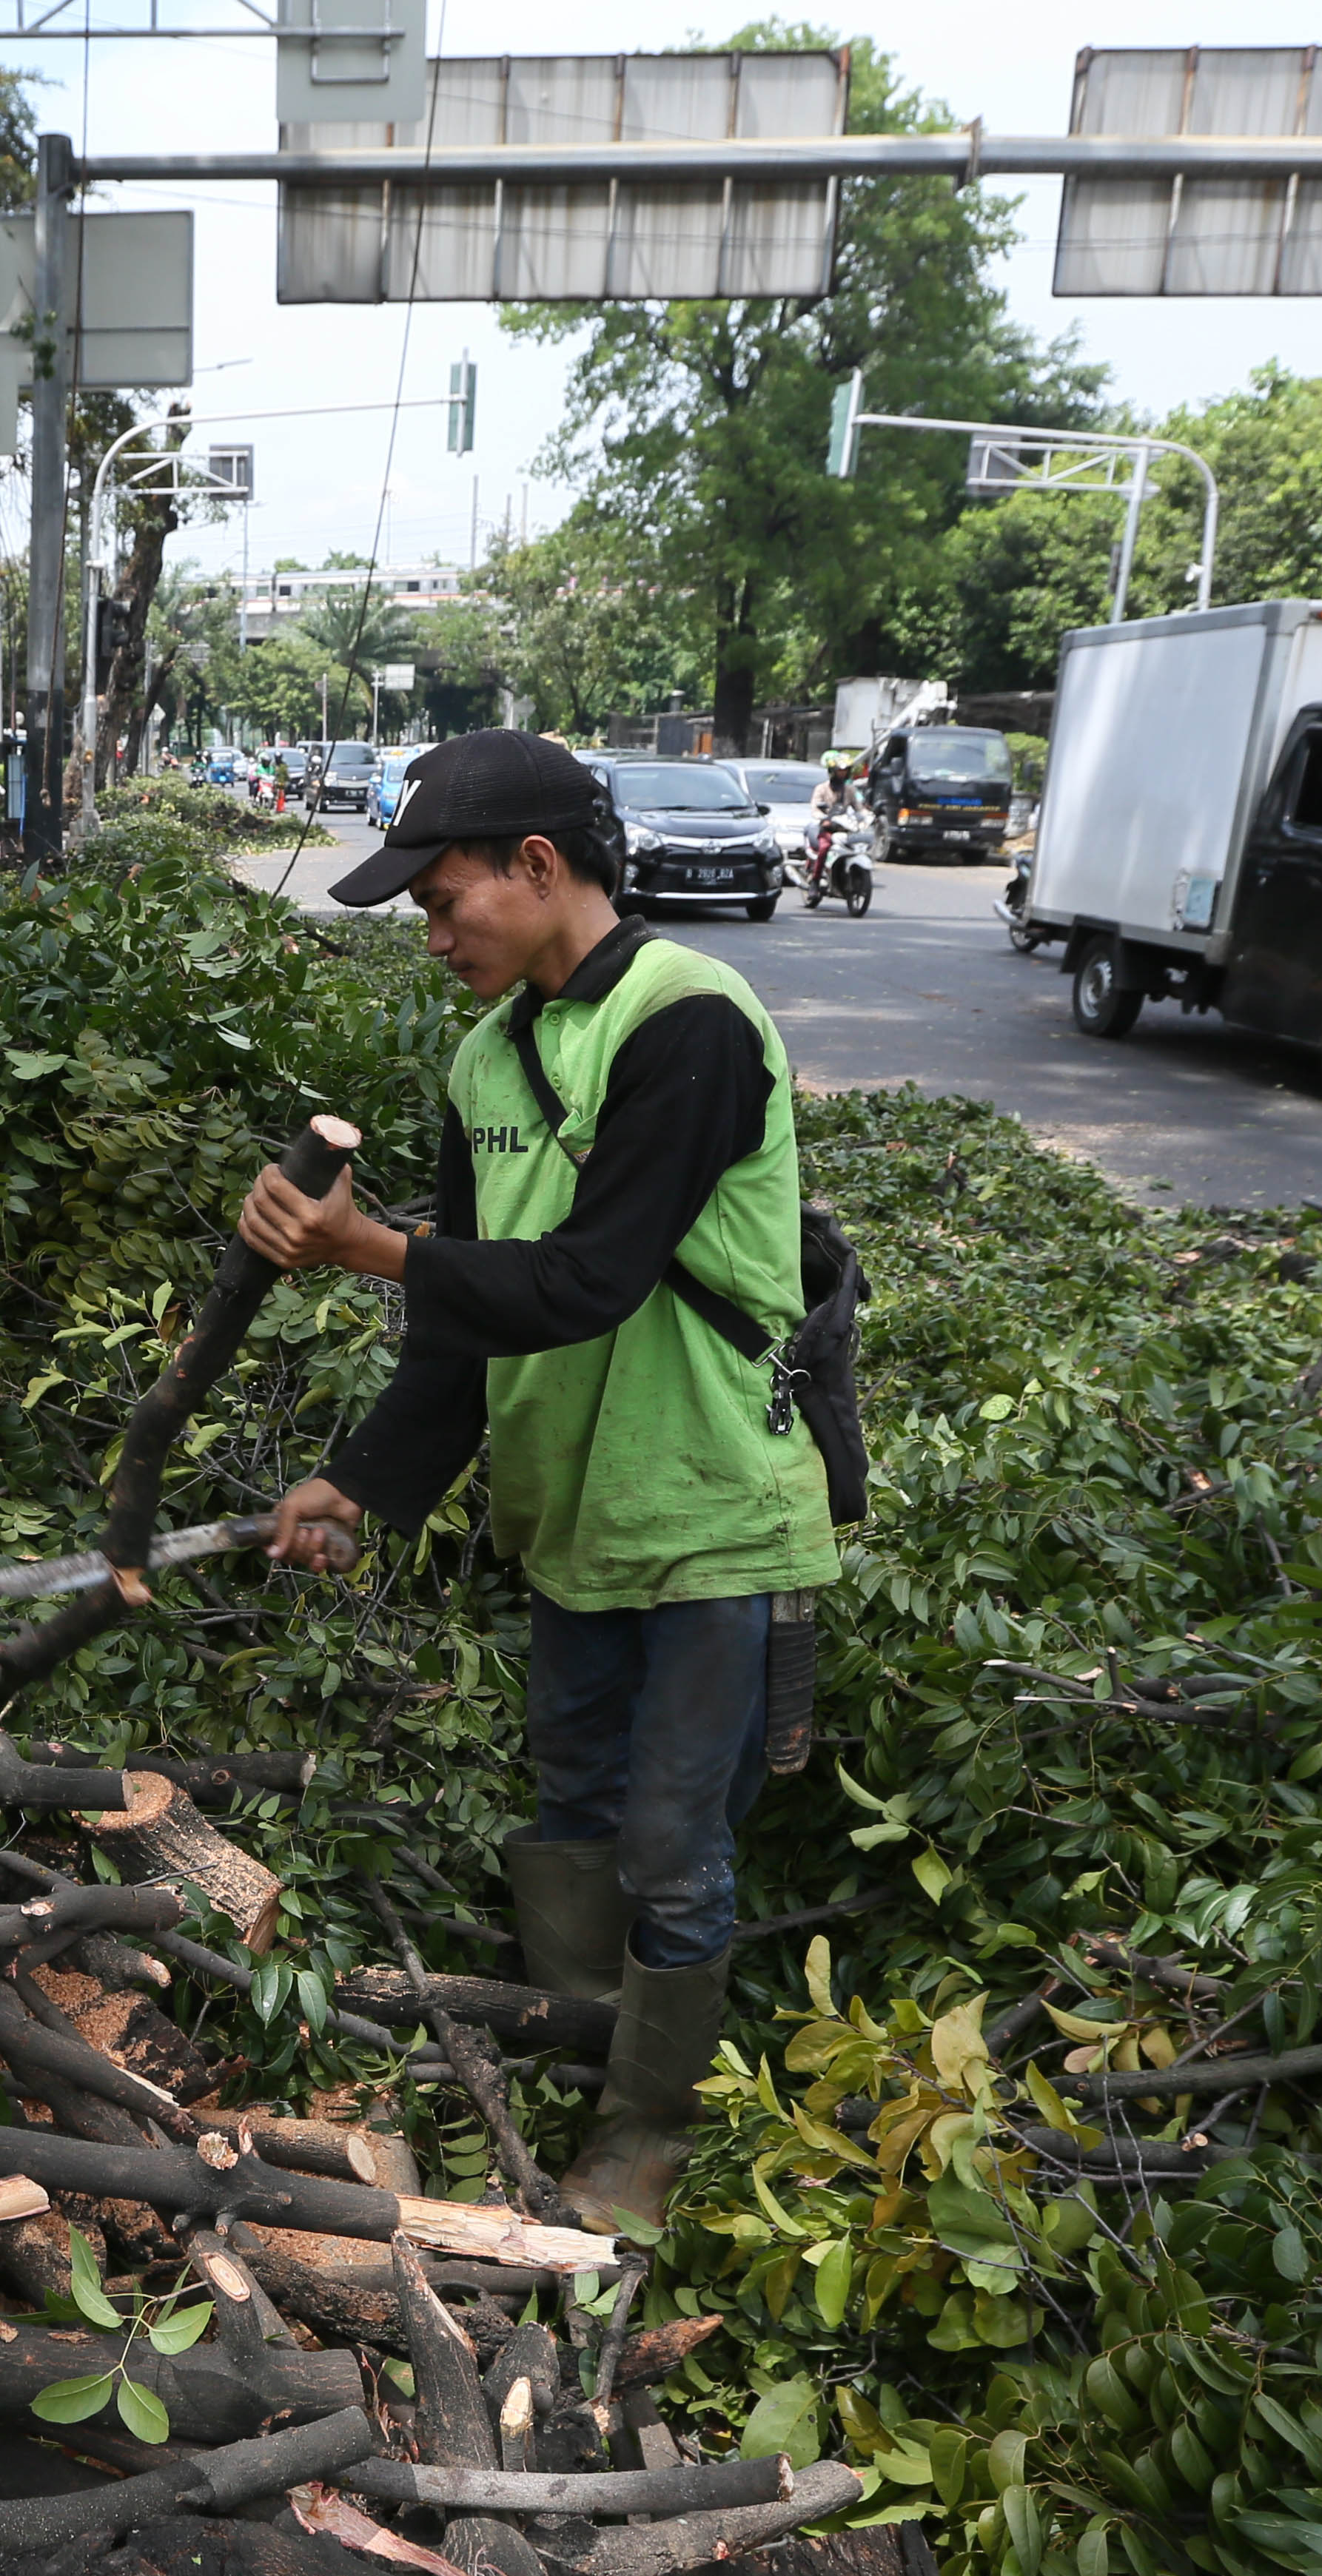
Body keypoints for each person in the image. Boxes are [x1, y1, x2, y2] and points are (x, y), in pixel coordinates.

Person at [240, 729, 839, 2235]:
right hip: (571, 1513)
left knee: (669, 1839)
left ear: (539, 866)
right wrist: (360, 1482)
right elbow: (471, 1312)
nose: (435, 938)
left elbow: (588, 1276)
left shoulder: (686, 1020)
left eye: (447, 903)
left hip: (708, 1512)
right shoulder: (486, 1053)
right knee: (571, 1807)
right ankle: (582, 2049)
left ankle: (650, 2126)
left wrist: (370, 1245)